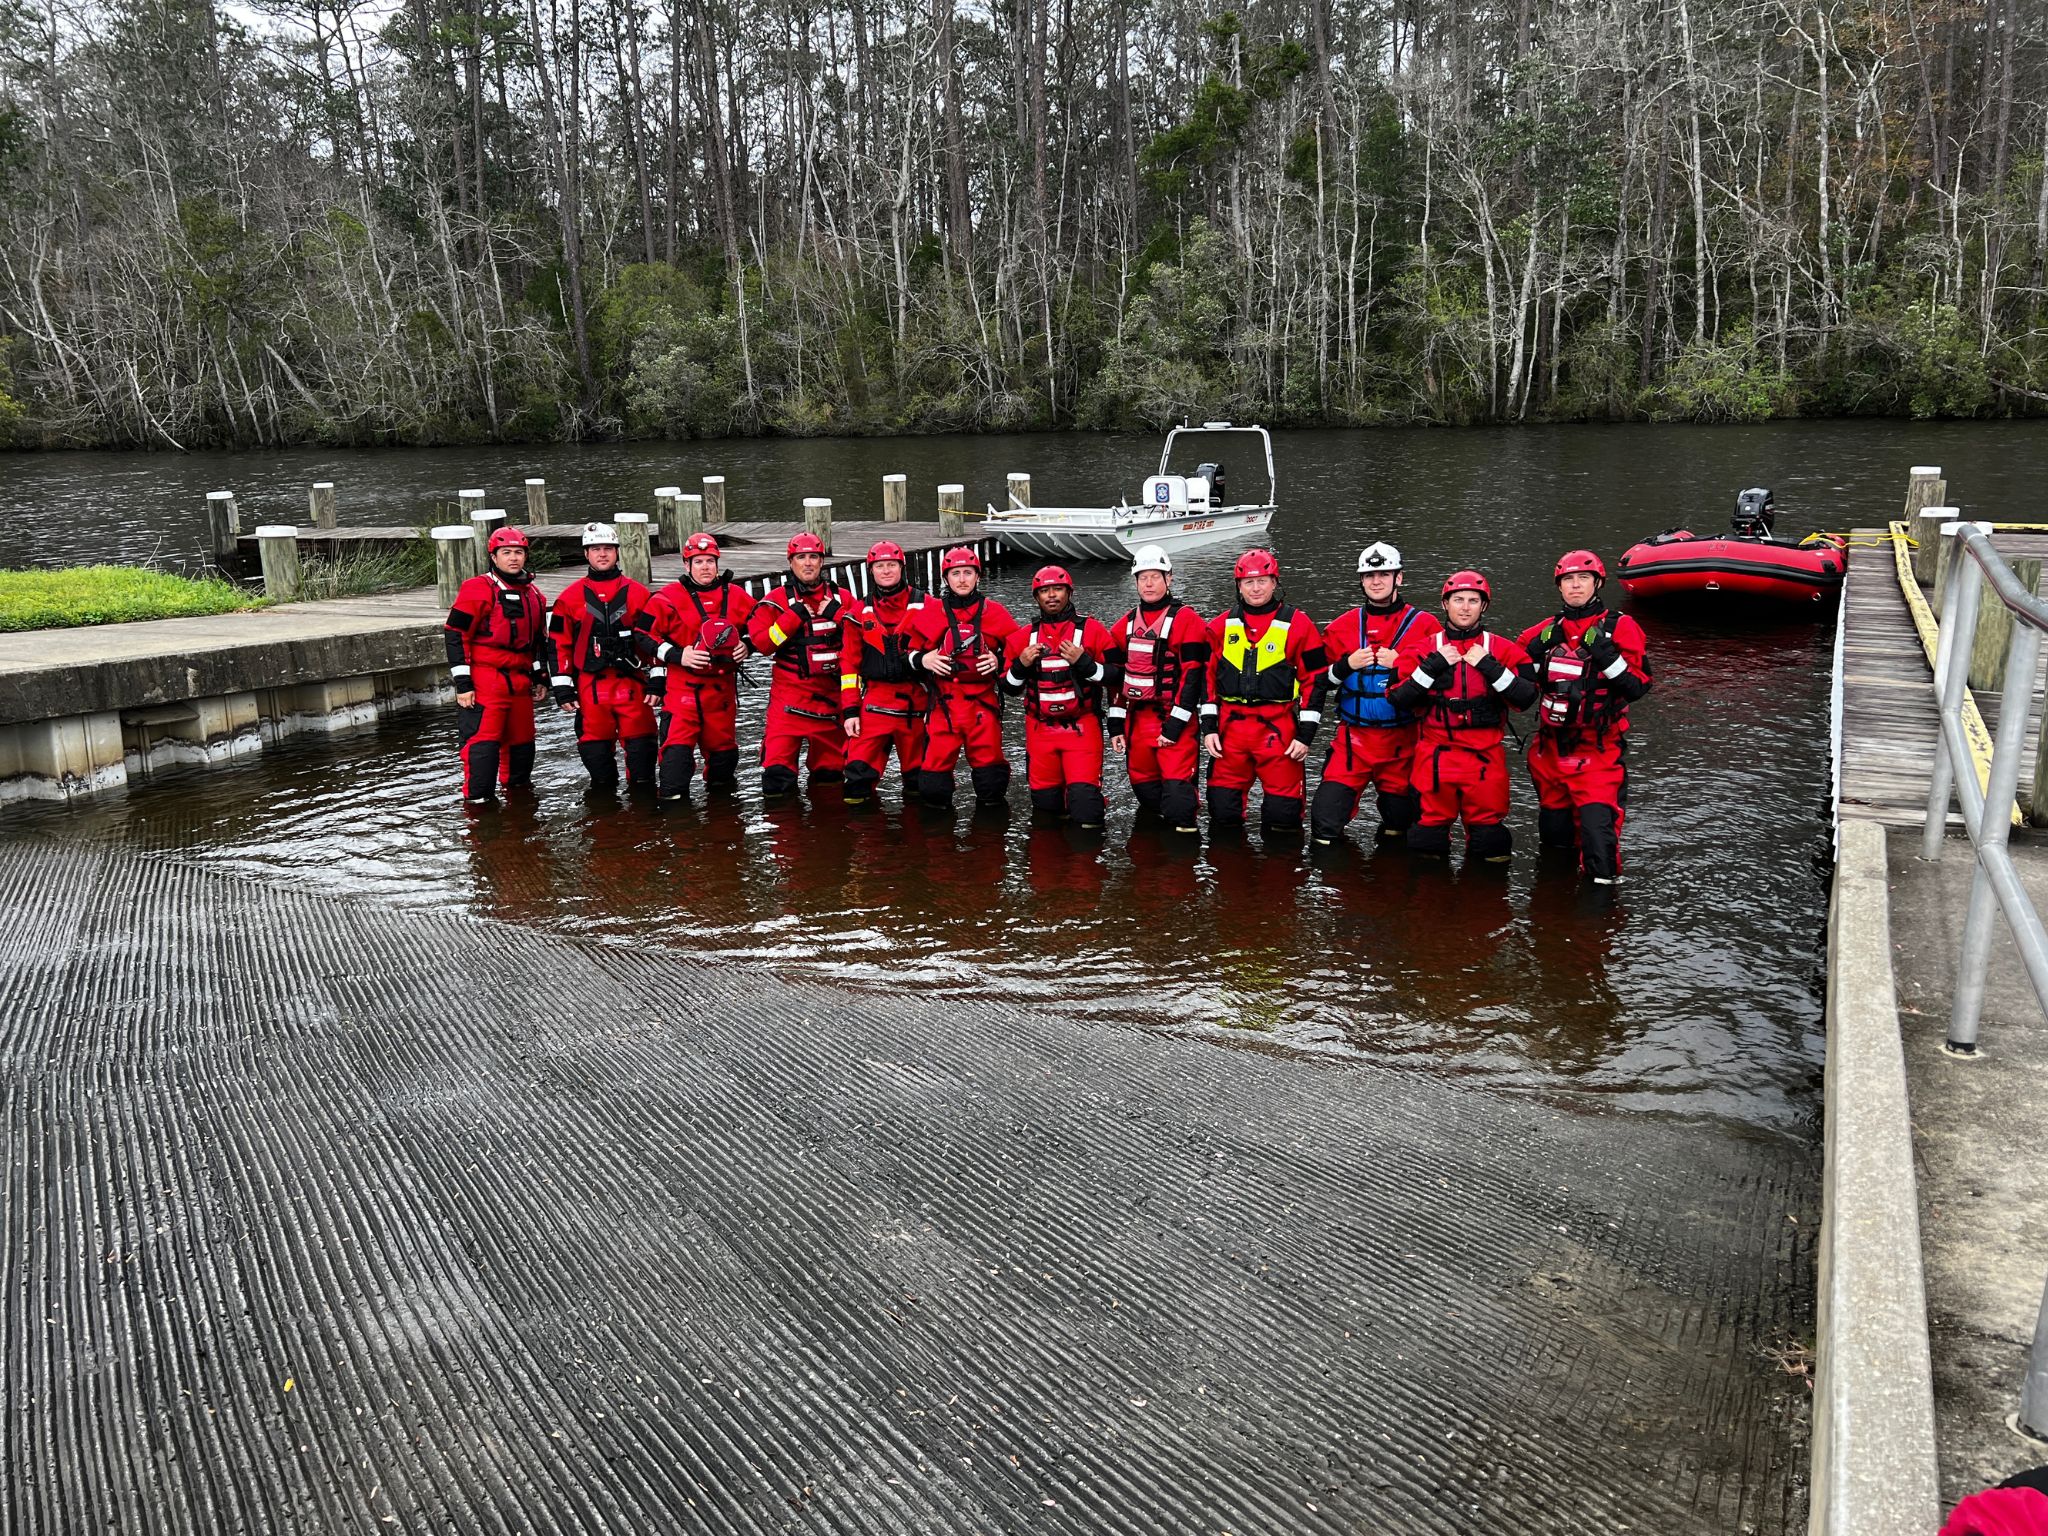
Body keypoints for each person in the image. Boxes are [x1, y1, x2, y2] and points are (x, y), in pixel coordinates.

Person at [1517, 549, 1652, 885]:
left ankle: (1598, 925)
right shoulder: (1543, 633)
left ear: (1597, 583)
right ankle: (1554, 918)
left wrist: (1606, 656)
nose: (1575, 586)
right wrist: (1533, 655)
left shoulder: (1622, 628)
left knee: (1599, 850)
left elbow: (1637, 687)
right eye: (1568, 580)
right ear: (1559, 586)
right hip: (1550, 752)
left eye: (1583, 579)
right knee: (1554, 845)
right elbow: (1520, 689)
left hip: (1598, 752)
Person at [1387, 570, 1537, 862]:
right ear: (1445, 604)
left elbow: (1527, 698)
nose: (1465, 607)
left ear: (1484, 606)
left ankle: (1485, 905)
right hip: (1435, 758)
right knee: (1425, 843)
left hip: (1485, 758)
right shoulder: (1421, 650)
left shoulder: (1505, 650)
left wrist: (1490, 668)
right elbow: (1397, 700)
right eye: (1458, 599)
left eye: (1473, 600)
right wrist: (1431, 669)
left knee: (1492, 846)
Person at [1307, 542, 1443, 846]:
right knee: (1324, 825)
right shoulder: (1342, 626)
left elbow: (1443, 686)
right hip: (1353, 741)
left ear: (1399, 578)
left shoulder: (1426, 627)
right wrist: (1345, 666)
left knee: (1404, 827)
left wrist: (1402, 665)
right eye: (1369, 576)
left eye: (1384, 574)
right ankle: (1336, 890)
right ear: (1361, 581)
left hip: (1403, 743)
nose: (1377, 581)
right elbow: (1317, 682)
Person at [1200, 548, 1323, 832]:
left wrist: (1305, 736)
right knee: (1222, 815)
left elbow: (1314, 682)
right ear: (1238, 586)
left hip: (1278, 731)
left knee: (1284, 819)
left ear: (1275, 582)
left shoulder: (1299, 625)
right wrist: (1209, 728)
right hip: (1230, 732)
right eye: (1248, 582)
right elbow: (1206, 682)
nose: (1255, 588)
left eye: (1262, 581)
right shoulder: (1219, 626)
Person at [637, 531, 755, 801]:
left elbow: (760, 626)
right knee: (674, 769)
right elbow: (642, 635)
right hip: (683, 693)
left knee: (724, 768)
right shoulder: (666, 598)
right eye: (698, 561)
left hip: (721, 694)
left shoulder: (737, 596)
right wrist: (678, 655)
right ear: (686, 565)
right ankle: (678, 831)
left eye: (710, 561)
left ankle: (721, 831)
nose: (705, 567)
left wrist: (747, 645)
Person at [905, 546, 1021, 811]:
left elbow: (1019, 654)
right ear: (946, 579)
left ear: (977, 576)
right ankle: (939, 845)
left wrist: (998, 660)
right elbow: (907, 656)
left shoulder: (996, 613)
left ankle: (989, 845)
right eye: (955, 573)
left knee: (991, 785)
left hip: (983, 706)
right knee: (933, 787)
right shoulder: (932, 612)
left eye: (968, 572)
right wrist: (923, 659)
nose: (962, 579)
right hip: (943, 707)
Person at [746, 531, 860, 800]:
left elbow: (868, 636)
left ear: (822, 562)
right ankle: (785, 836)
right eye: (801, 557)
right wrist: (790, 619)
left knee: (831, 779)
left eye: (813, 557)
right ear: (791, 562)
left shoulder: (843, 599)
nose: (807, 563)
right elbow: (762, 644)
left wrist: (839, 616)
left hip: (831, 702)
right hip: (788, 702)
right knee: (777, 780)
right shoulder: (775, 601)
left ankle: (824, 837)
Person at [1104, 544, 1208, 835]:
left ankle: (1182, 868)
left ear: (1169, 578)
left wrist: (1175, 726)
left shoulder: (1188, 621)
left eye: (1155, 577)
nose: (1149, 584)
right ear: (1135, 581)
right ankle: (1149, 873)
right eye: (1143, 577)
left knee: (1178, 803)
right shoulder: (1122, 626)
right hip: (1138, 723)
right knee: (1149, 800)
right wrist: (1115, 726)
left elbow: (1193, 677)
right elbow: (1116, 682)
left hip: (1173, 721)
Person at [547, 522, 658, 795]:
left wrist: (657, 680)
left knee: (643, 772)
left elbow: (656, 639)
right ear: (586, 554)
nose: (602, 554)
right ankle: (606, 824)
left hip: (633, 687)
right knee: (600, 774)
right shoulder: (569, 598)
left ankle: (644, 827)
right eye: (595, 549)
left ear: (617, 552)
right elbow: (558, 644)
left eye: (608, 548)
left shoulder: (639, 594)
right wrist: (562, 687)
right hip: (590, 689)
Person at [443, 525, 548, 805]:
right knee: (483, 748)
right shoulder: (478, 589)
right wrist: (463, 685)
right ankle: (479, 812)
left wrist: (539, 676)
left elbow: (536, 642)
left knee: (522, 748)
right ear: (494, 556)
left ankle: (518, 813)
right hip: (486, 678)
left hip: (519, 681)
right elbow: (455, 634)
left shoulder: (535, 595)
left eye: (518, 552)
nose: (513, 558)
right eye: (506, 553)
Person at [1002, 565, 1114, 828]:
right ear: (1036, 597)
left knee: (1086, 809)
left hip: (1082, 727)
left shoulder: (1093, 631)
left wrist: (1085, 663)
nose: (1051, 595)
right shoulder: (1022, 638)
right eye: (1044, 591)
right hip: (1040, 730)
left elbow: (1116, 676)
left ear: (1069, 592)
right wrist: (1020, 665)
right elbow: (1007, 687)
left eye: (1057, 589)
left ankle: (1087, 863)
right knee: (1046, 808)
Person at [841, 539, 930, 807]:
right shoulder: (858, 613)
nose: (886, 571)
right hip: (874, 705)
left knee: (921, 784)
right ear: (871, 570)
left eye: (892, 565)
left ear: (902, 568)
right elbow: (849, 666)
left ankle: (918, 842)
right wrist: (850, 711)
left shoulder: (928, 606)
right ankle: (865, 843)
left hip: (917, 703)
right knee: (856, 784)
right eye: (880, 566)